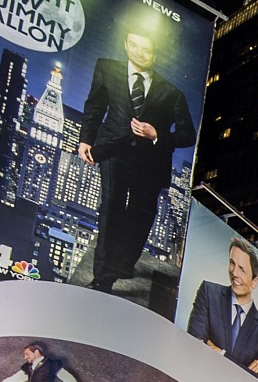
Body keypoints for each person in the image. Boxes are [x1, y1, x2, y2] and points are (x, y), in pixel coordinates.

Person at [76, 29, 197, 294]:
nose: (139, 53)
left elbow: (188, 135)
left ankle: (123, 265)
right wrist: (86, 140)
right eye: (134, 45)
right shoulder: (107, 68)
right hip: (112, 152)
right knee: (111, 208)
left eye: (147, 49)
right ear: (125, 44)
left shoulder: (172, 93)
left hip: (151, 162)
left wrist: (157, 134)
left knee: (141, 216)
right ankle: (102, 279)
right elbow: (95, 105)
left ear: (155, 53)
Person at [186, 236, 258, 378]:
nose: (234, 273)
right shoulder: (208, 293)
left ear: (255, 281)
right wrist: (245, 371)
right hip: (196, 381)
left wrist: (221, 353)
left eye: (242, 269)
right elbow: (194, 343)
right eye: (232, 263)